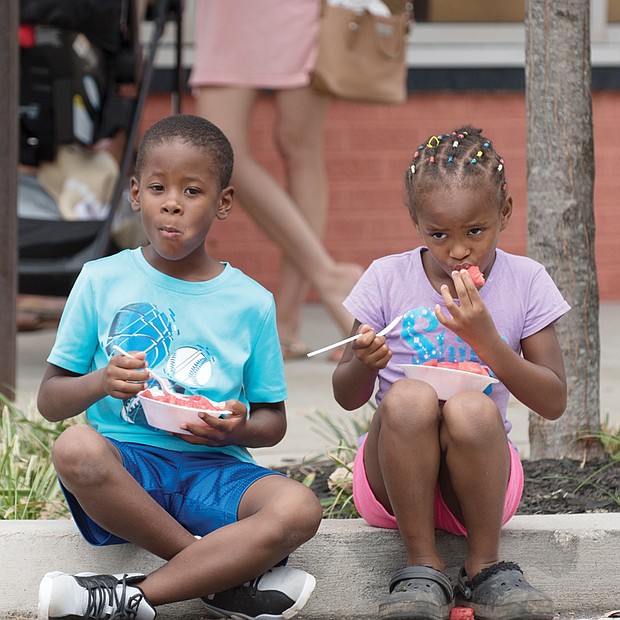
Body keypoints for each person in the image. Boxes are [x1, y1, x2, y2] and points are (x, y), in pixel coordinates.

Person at [36, 114, 323, 620]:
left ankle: (134, 597)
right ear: (134, 193)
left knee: (300, 508)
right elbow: (50, 400)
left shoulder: (251, 302)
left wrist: (236, 427)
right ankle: (218, 576)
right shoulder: (100, 279)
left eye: (192, 190)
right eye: (157, 187)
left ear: (223, 203)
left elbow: (272, 421)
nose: (172, 202)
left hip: (216, 470)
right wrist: (101, 381)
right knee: (75, 447)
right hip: (129, 469)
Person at [332, 126, 570, 620]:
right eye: (439, 235)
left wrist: (487, 341)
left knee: (470, 407)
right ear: (415, 222)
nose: (458, 251)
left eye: (474, 232)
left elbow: (553, 400)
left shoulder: (526, 281)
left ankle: (485, 566)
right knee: (409, 397)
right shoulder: (385, 278)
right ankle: (421, 567)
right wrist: (363, 361)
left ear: (504, 212)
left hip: (479, 491)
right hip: (393, 485)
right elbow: (347, 395)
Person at [190, 0, 362, 359]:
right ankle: (330, 276)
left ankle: (286, 323)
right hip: (228, 13)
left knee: (300, 145)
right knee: (220, 147)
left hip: (300, 11)